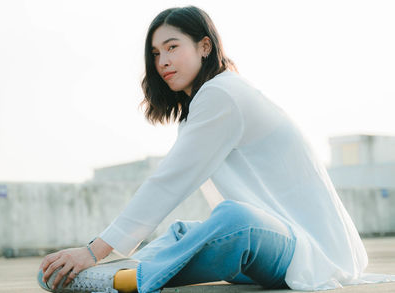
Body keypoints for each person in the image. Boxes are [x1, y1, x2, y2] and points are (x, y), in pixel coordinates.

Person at [37, 5, 395, 293]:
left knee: (234, 219)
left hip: (304, 250)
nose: (162, 61)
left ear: (204, 47)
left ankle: (124, 278)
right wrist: (93, 254)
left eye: (173, 47)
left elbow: (169, 181)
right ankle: (115, 274)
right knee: (183, 230)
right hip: (271, 247)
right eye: (156, 52)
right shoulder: (204, 104)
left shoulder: (223, 95)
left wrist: (92, 250)